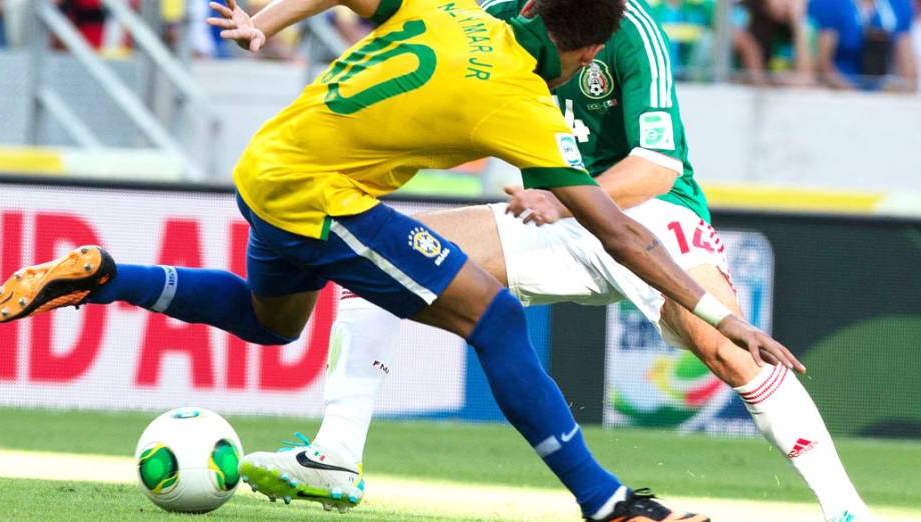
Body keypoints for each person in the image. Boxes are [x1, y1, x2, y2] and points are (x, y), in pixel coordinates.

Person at [0, 0, 797, 519]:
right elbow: (624, 234)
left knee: (269, 323)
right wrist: (723, 315)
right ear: (583, 52)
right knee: (497, 315)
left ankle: (102, 277)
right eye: (586, 63)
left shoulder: (451, 11)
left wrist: (270, 22)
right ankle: (609, 504)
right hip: (320, 193)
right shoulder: (519, 101)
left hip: (268, 164)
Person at [292, 0, 872, 521]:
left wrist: (563, 198)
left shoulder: (631, 28)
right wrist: (270, 23)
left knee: (727, 347)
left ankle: (847, 513)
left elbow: (656, 167)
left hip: (649, 213)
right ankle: (337, 453)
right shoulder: (493, 21)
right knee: (377, 260)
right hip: (551, 216)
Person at [809, 0, 917, 91]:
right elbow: (823, 63)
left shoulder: (898, 5)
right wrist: (855, 93)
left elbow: (908, 69)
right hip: (838, 92)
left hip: (881, 92)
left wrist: (897, 90)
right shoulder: (829, 3)